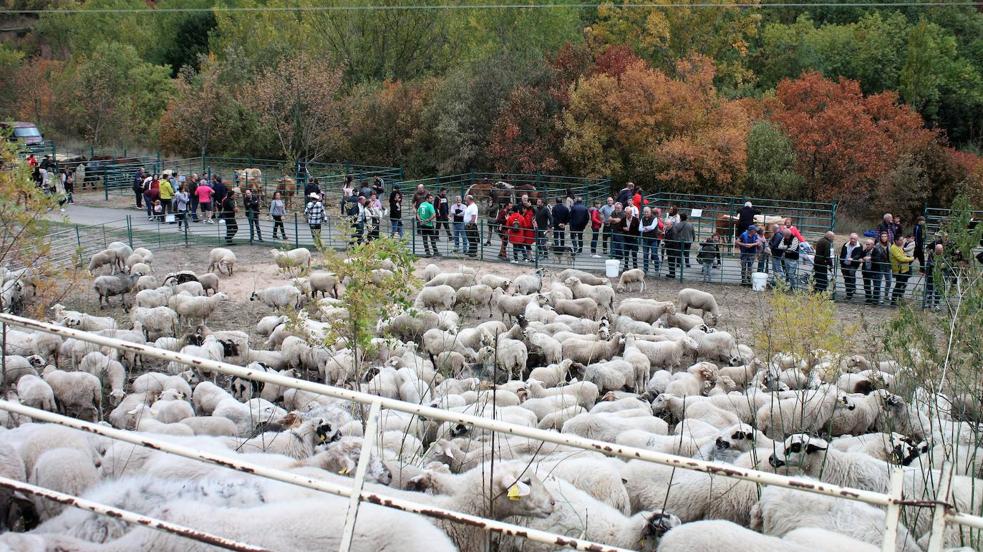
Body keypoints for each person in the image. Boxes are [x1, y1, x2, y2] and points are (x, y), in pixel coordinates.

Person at [889, 234, 914, 306]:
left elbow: (903, 256)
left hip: (904, 269)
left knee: (903, 285)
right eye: (900, 240)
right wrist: (911, 258)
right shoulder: (894, 248)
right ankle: (893, 301)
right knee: (898, 285)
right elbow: (901, 258)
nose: (902, 241)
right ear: (896, 240)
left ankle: (900, 300)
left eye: (902, 240)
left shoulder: (899, 247)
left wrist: (907, 258)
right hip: (899, 270)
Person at [838, 233, 864, 300]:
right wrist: (841, 261)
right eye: (851, 238)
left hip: (853, 264)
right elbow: (842, 253)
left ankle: (850, 291)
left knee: (851, 273)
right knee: (846, 278)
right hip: (844, 263)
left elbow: (859, 255)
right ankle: (850, 291)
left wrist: (853, 259)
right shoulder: (845, 244)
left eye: (854, 239)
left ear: (857, 239)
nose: (852, 240)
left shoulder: (859, 246)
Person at [870, 232, 891, 305]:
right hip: (880, 266)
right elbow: (874, 257)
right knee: (878, 283)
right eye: (882, 236)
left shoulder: (889, 244)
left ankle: (886, 295)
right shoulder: (877, 246)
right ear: (880, 237)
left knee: (889, 281)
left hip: (887, 266)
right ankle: (876, 299)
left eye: (885, 236)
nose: (884, 238)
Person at [639, 207, 662, 276]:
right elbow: (640, 228)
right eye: (645, 212)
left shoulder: (654, 218)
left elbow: (652, 227)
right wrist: (646, 228)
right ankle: (645, 269)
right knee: (645, 255)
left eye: (647, 212)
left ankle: (657, 270)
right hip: (645, 239)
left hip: (653, 239)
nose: (646, 213)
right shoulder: (642, 219)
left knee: (654, 254)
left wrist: (645, 228)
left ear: (650, 212)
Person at [619, 205, 640, 272]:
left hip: (633, 239)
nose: (627, 214)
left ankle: (635, 267)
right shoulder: (623, 219)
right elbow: (619, 227)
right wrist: (623, 228)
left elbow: (638, 230)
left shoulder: (636, 220)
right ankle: (626, 266)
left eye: (628, 213)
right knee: (626, 253)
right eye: (626, 213)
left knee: (634, 254)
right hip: (626, 239)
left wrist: (634, 235)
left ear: (631, 213)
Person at [922, 243, 944, 309]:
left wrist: (943, 265)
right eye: (938, 250)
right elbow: (929, 263)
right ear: (936, 250)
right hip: (931, 275)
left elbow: (947, 265)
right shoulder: (931, 255)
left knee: (938, 291)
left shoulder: (944, 256)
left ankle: (936, 304)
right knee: (929, 289)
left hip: (939, 276)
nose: (939, 251)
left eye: (940, 250)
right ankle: (928, 303)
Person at [417, 193, 439, 257]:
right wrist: (429, 220)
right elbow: (434, 215)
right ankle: (435, 252)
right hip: (429, 225)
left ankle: (427, 253)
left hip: (422, 225)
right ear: (427, 199)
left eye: (432, 198)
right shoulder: (430, 205)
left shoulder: (421, 204)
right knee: (432, 239)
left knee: (425, 239)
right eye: (431, 198)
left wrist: (420, 220)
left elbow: (417, 213)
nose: (432, 200)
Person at [860, 238, 877, 304]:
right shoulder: (864, 251)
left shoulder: (876, 250)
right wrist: (860, 259)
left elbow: (879, 258)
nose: (867, 246)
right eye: (866, 244)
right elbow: (860, 256)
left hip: (874, 270)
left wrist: (870, 258)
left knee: (876, 285)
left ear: (872, 245)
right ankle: (868, 298)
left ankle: (875, 299)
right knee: (866, 285)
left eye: (868, 244)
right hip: (866, 270)